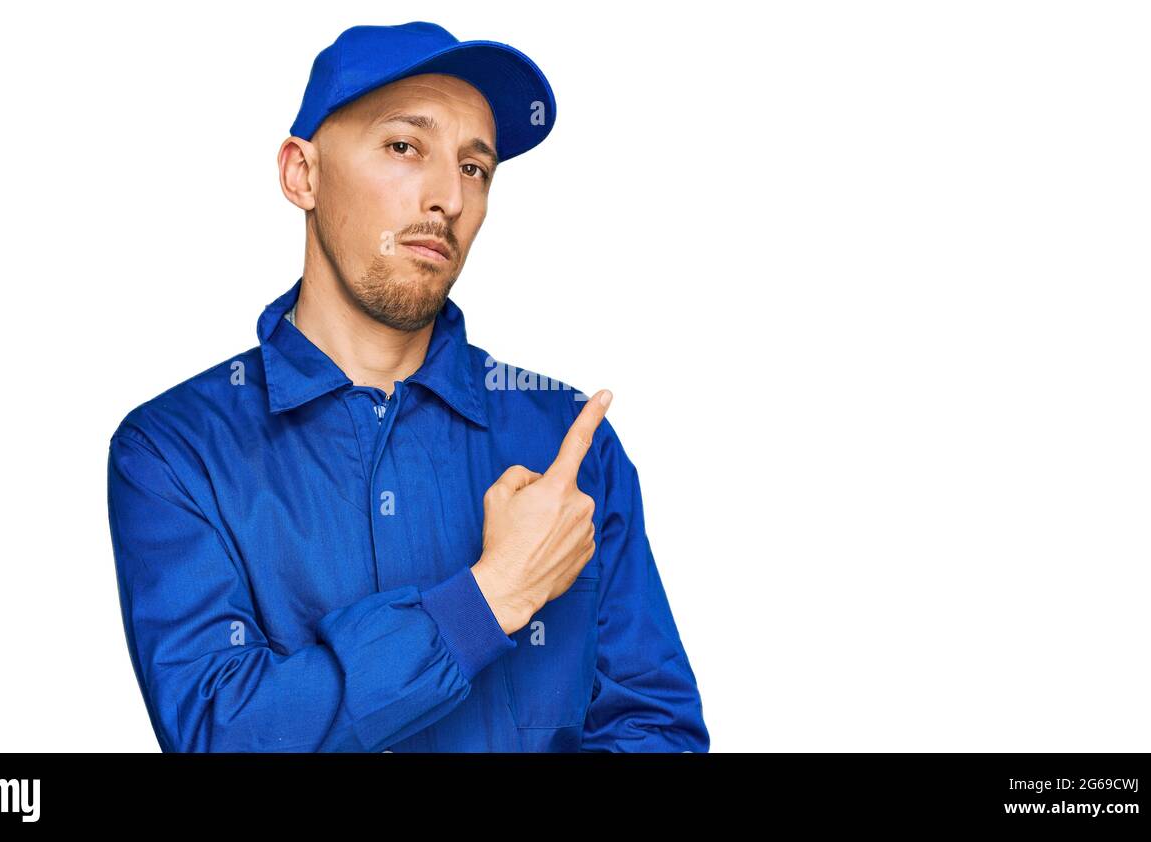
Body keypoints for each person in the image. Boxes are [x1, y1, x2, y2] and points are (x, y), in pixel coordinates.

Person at [106, 21, 709, 752]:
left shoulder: (566, 445)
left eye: (475, 168)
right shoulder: (175, 452)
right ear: (304, 173)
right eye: (403, 147)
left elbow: (656, 728)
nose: (447, 198)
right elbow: (222, 734)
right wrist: (490, 599)